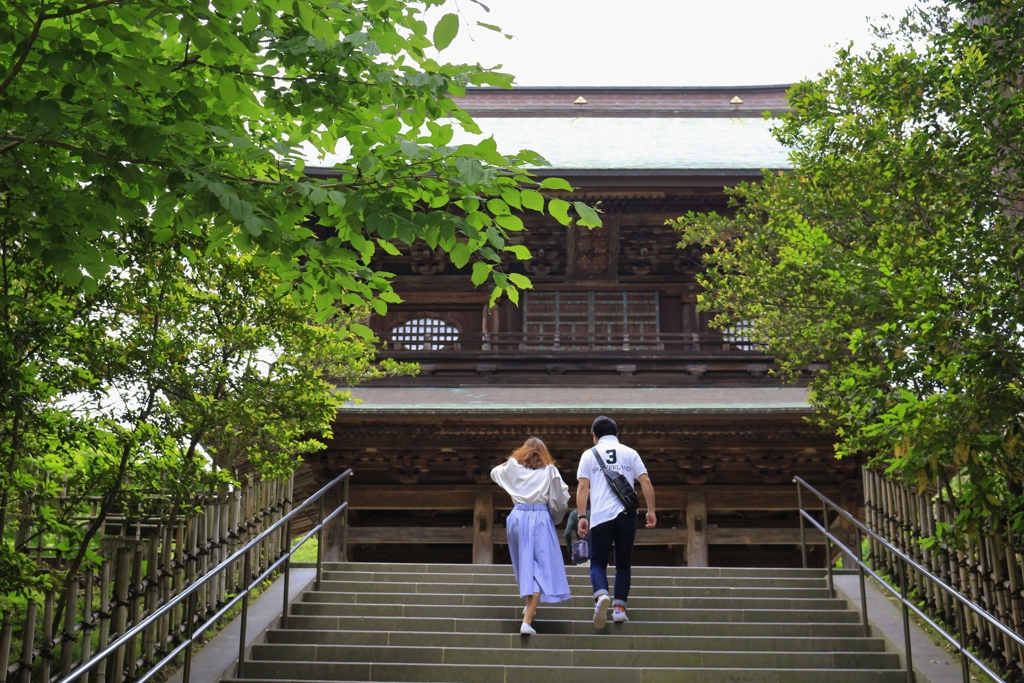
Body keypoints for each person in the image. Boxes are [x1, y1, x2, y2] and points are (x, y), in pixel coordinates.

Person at [576, 415, 656, 628]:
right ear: (617, 434)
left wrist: (582, 516)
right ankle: (619, 609)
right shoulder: (630, 453)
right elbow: (645, 481)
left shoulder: (588, 455)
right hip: (626, 514)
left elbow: (583, 487)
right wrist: (651, 510)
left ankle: (601, 595)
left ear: (594, 435)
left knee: (598, 561)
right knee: (623, 563)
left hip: (600, 516)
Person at [490, 436, 572, 635]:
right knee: (539, 569)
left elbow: (494, 473)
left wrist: (512, 460)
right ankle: (527, 621)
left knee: (527, 566)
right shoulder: (550, 470)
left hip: (517, 516)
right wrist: (555, 517)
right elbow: (560, 501)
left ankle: (529, 609)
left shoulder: (511, 466)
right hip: (539, 517)